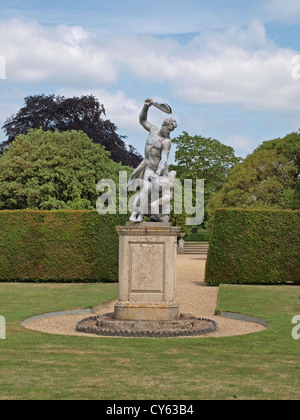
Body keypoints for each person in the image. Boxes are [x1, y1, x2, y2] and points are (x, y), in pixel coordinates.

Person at [128, 98, 177, 222]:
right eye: (169, 129)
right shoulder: (153, 130)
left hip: (158, 170)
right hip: (147, 166)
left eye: (171, 130)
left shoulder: (167, 142)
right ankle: (138, 214)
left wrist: (157, 174)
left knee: (156, 193)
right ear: (164, 125)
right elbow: (142, 120)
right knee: (145, 189)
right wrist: (146, 107)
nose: (169, 132)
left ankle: (142, 214)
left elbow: (164, 160)